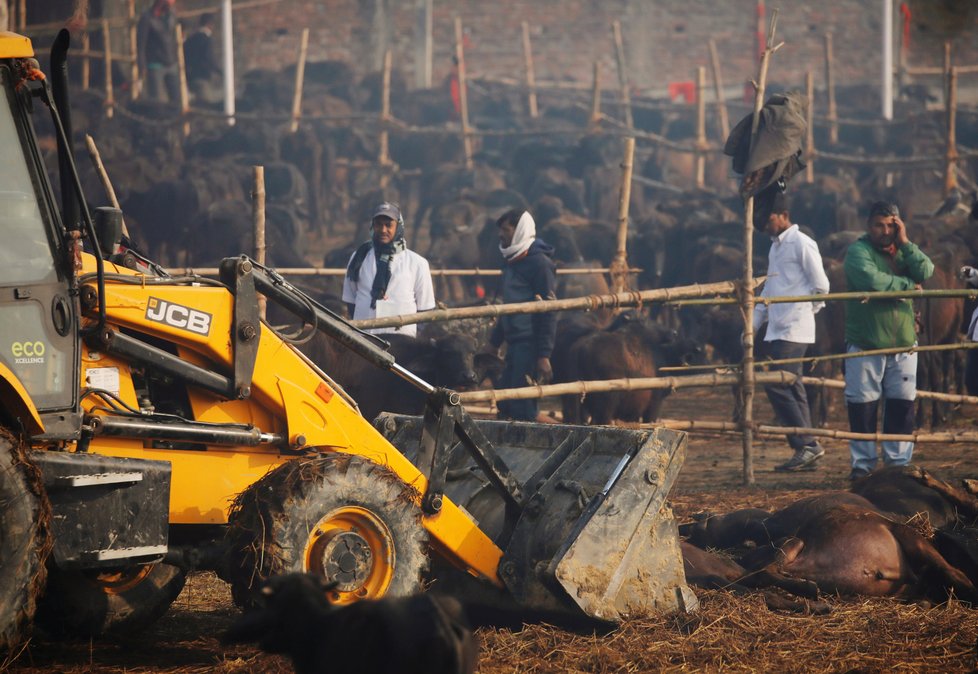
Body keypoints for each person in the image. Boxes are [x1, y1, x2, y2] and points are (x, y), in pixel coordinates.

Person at [843, 201, 934, 479]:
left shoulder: (903, 252)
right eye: (878, 225)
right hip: (867, 342)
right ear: (868, 226)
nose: (885, 231)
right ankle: (863, 466)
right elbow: (873, 281)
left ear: (898, 225)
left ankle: (898, 464)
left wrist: (905, 241)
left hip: (904, 342)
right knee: (862, 405)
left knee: (902, 404)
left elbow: (926, 271)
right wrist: (908, 287)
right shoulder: (858, 252)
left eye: (890, 225)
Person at [752, 188, 830, 471]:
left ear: (783, 216)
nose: (764, 225)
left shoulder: (801, 243)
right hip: (778, 327)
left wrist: (805, 310)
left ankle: (806, 444)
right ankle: (808, 448)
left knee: (775, 381)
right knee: (792, 386)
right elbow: (770, 288)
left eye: (768, 219)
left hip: (794, 328)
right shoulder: (776, 246)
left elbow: (821, 285)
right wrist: (755, 322)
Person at [484, 209, 557, 422]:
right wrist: (494, 343)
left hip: (530, 343)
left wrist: (544, 354)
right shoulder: (511, 261)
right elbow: (508, 307)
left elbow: (548, 311)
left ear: (519, 231)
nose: (501, 235)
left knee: (523, 405)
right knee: (505, 400)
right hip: (514, 344)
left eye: (506, 230)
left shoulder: (540, 265)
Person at [342, 202, 434, 338]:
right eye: (378, 224)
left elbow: (425, 309)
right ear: (373, 226)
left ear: (398, 226)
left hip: (402, 340)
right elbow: (351, 300)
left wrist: (410, 339)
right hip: (364, 339)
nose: (383, 230)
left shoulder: (417, 263)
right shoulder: (359, 258)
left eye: (388, 225)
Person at [137, 0, 179, 104]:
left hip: (171, 62)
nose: (170, 5)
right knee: (157, 100)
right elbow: (141, 44)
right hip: (155, 64)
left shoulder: (170, 16)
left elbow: (172, 37)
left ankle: (175, 119)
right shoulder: (147, 18)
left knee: (177, 99)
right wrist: (142, 64)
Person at [183, 13, 220, 104]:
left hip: (189, 79)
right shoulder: (206, 40)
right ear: (210, 24)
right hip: (201, 78)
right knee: (207, 106)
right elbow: (210, 59)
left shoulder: (190, 39)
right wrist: (222, 72)